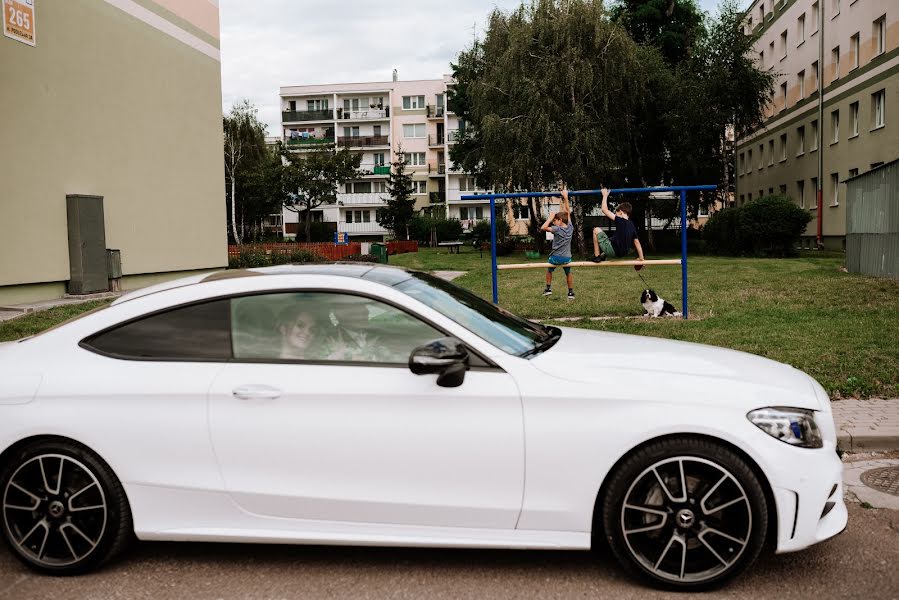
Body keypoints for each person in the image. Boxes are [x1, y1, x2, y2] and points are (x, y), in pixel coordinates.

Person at [592, 188, 645, 263]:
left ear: (620, 212)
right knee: (612, 239)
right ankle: (602, 255)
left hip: (613, 251)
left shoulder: (620, 220)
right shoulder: (631, 224)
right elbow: (637, 242)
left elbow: (604, 209)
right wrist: (641, 258)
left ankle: (596, 256)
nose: (615, 215)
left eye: (616, 214)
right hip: (623, 253)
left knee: (596, 230)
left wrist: (605, 195)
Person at [540, 186, 575, 300]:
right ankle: (570, 293)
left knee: (549, 270)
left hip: (555, 258)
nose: (554, 222)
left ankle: (548, 289)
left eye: (555, 221)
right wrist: (565, 197)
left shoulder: (557, 229)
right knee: (568, 273)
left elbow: (543, 227)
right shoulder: (570, 227)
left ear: (560, 221)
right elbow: (568, 212)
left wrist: (550, 218)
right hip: (567, 258)